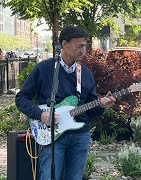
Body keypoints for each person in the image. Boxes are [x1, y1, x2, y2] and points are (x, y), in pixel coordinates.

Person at [15, 26, 116, 180]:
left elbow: (89, 111)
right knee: (48, 176)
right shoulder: (44, 69)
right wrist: (40, 114)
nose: (83, 50)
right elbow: (21, 98)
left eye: (85, 46)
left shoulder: (86, 74)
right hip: (52, 136)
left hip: (80, 136)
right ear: (64, 44)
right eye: (79, 46)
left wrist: (101, 106)